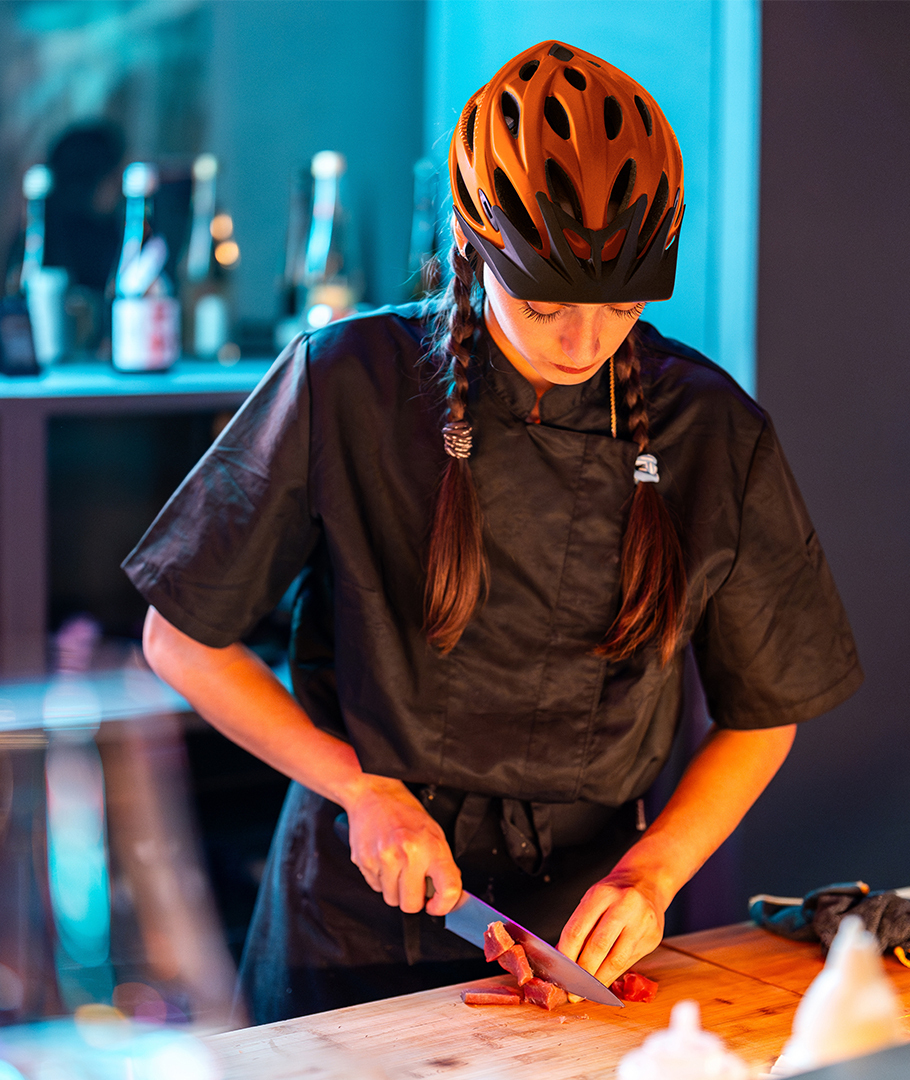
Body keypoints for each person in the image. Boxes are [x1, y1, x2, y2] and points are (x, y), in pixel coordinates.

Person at [124, 40, 862, 1023]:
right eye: (547, 302)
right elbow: (181, 639)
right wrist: (360, 790)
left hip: (588, 935)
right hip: (351, 914)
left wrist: (656, 873)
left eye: (622, 306)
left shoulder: (712, 429)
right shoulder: (346, 381)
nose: (583, 342)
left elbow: (767, 706)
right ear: (473, 246)